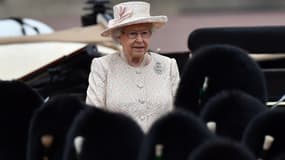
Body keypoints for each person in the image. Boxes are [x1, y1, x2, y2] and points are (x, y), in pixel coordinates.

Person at [85, 1, 180, 132]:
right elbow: (93, 117)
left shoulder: (168, 65)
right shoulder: (102, 66)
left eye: (145, 33)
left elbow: (181, 115)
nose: (140, 40)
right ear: (119, 36)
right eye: (133, 34)